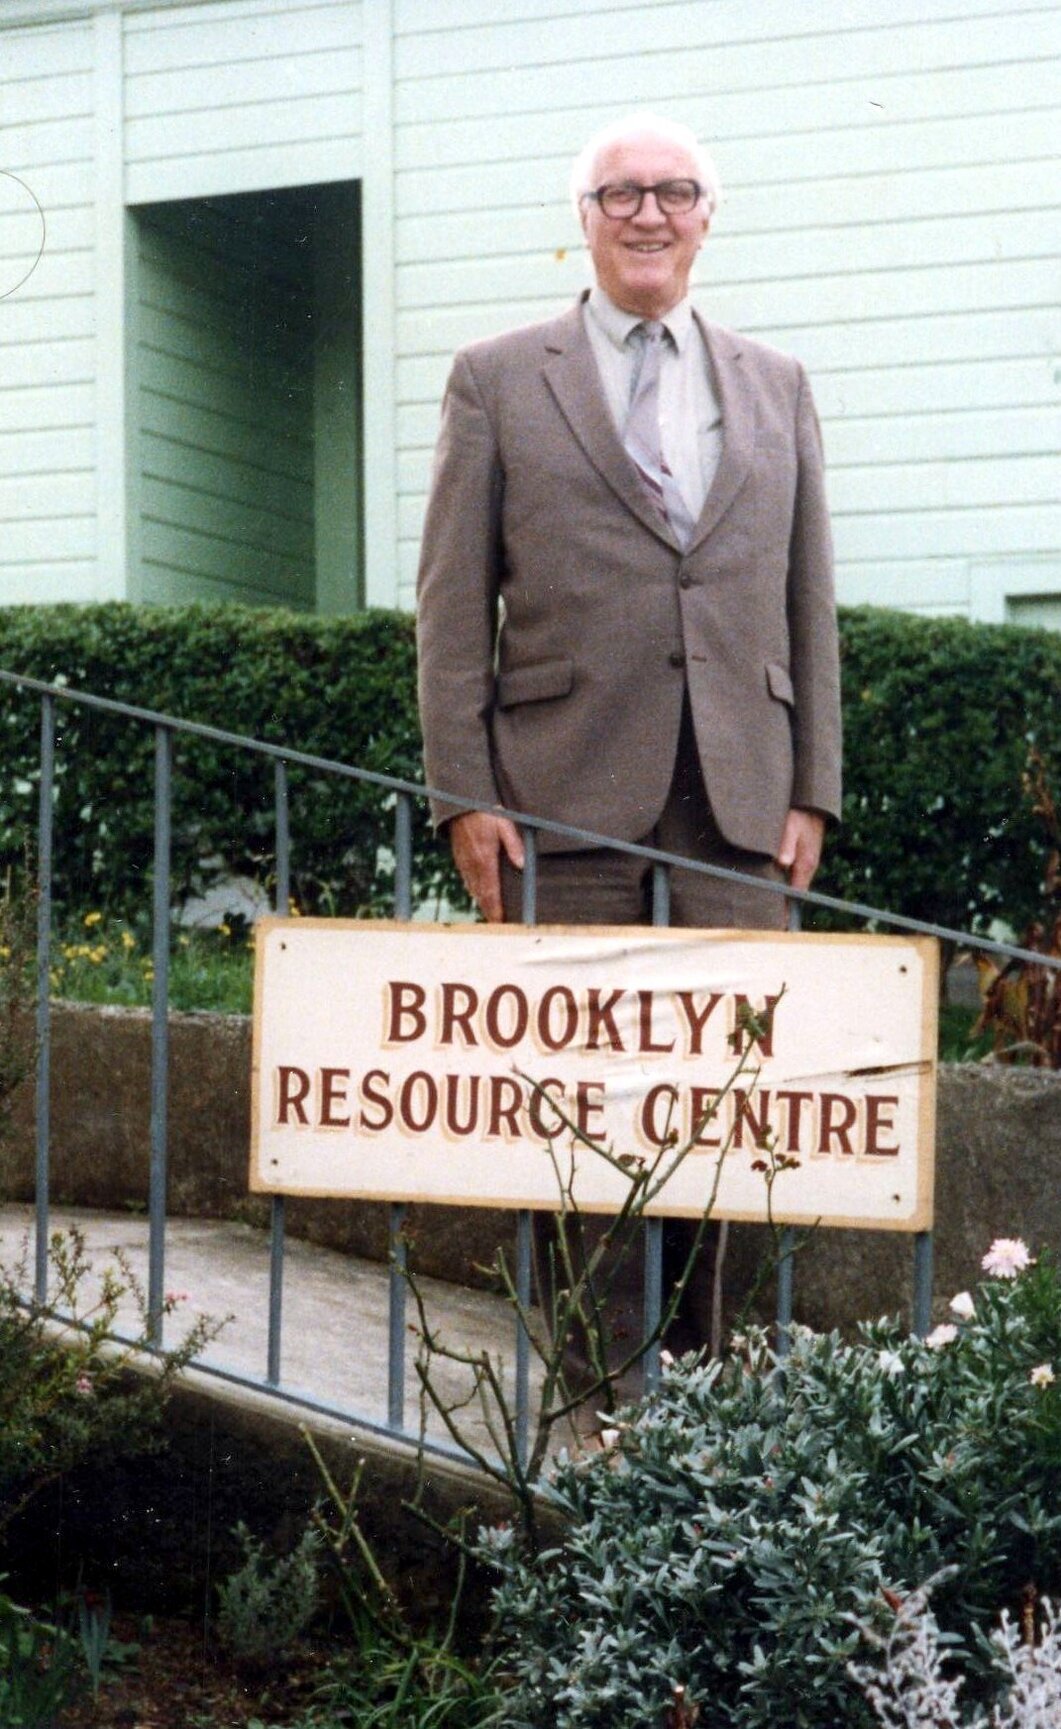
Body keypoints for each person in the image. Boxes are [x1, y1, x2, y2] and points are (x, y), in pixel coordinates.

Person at [417, 112, 841, 930]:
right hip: (556, 800)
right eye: (620, 194)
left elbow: (808, 603)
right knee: (556, 1056)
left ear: (705, 218)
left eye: (674, 193)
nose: (649, 215)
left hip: (740, 808)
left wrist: (811, 794)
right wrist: (463, 799)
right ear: (583, 215)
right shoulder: (493, 379)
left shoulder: (778, 385)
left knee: (735, 1055)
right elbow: (450, 612)